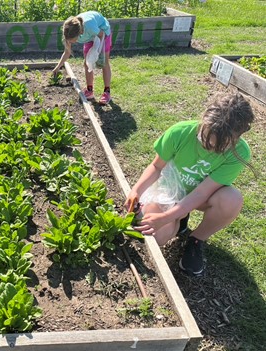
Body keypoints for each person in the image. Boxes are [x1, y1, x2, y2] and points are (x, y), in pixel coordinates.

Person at [125, 93, 255, 277]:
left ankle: (196, 239)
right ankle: (180, 220)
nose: (208, 147)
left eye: (219, 146)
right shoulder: (180, 132)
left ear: (237, 137)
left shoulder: (239, 153)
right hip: (171, 191)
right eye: (206, 139)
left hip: (201, 197)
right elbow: (156, 166)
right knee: (157, 236)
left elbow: (201, 193)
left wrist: (165, 217)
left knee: (231, 199)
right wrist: (136, 190)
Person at [52, 11, 112, 105]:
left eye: (73, 40)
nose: (73, 42)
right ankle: (89, 90)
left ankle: (107, 92)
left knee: (104, 62)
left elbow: (101, 35)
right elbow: (67, 52)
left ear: (80, 33)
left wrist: (98, 52)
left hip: (103, 33)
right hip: (90, 37)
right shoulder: (69, 32)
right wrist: (58, 67)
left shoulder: (90, 26)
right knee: (86, 63)